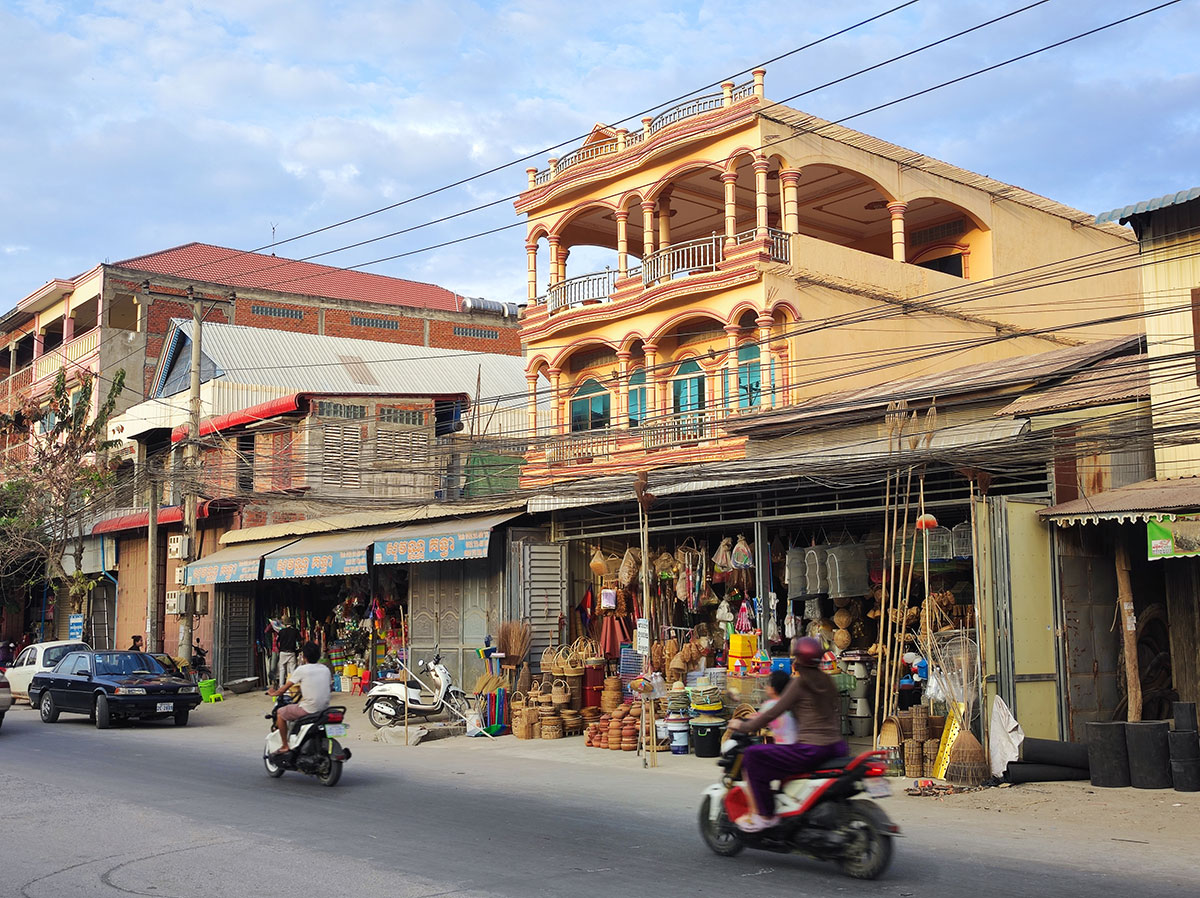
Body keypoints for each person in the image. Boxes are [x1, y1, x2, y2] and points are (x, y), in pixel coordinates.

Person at [727, 636, 847, 832]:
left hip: (810, 750)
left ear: (798, 659)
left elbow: (772, 713)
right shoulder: (828, 681)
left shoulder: (800, 683)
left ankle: (765, 815)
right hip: (837, 746)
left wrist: (743, 726)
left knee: (752, 756)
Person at [267, 642, 330, 754]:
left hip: (309, 709)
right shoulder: (325, 669)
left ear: (304, 657)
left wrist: (273, 693)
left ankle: (285, 745)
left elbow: (283, 689)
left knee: (280, 713)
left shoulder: (302, 669)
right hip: (324, 709)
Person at [760, 670, 798, 745]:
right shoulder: (792, 703)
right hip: (796, 744)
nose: (766, 687)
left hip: (782, 746)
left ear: (773, 689)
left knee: (752, 750)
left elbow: (756, 721)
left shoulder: (770, 705)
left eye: (768, 684)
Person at [277, 618, 300, 685]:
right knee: (292, 669)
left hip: (283, 652)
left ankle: (281, 685)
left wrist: (279, 649)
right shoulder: (295, 631)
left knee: (282, 669)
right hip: (291, 652)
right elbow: (300, 641)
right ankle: (293, 686)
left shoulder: (281, 631)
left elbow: (277, 642)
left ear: (284, 624)